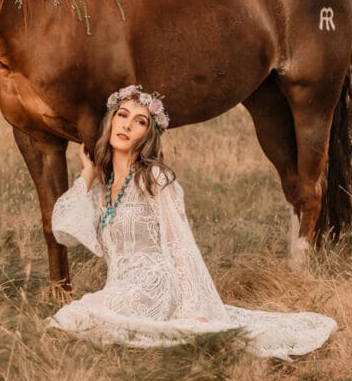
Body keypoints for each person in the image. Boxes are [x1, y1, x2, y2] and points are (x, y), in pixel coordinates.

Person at [46, 84, 337, 359]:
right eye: (122, 116)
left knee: (78, 318)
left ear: (147, 136)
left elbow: (181, 244)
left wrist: (192, 307)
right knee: (74, 318)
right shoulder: (100, 191)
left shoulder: (155, 179)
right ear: (110, 122)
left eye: (139, 122)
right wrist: (86, 175)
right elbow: (64, 231)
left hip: (155, 284)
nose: (127, 125)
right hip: (121, 287)